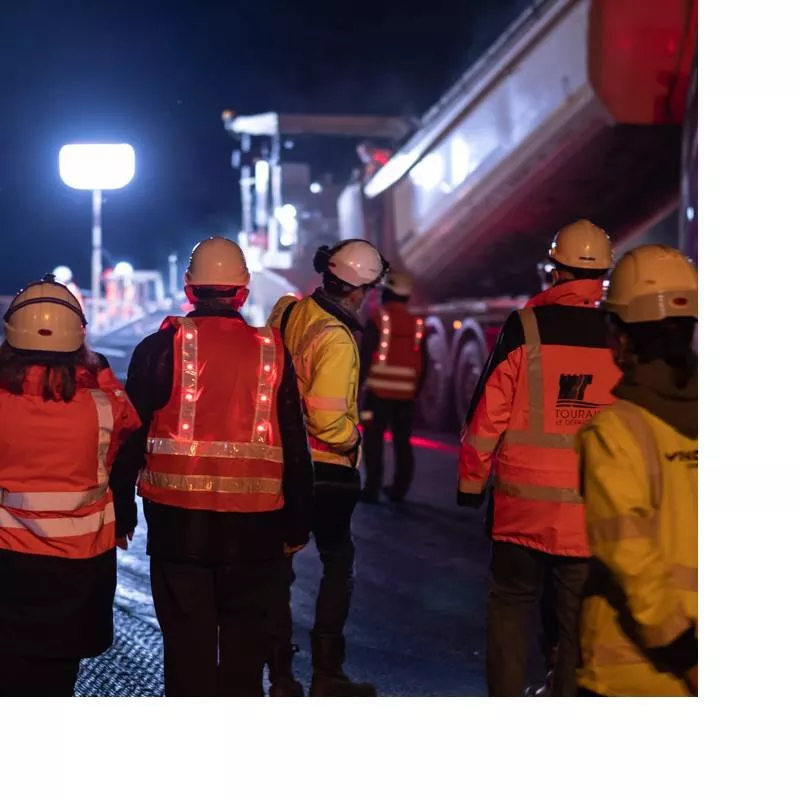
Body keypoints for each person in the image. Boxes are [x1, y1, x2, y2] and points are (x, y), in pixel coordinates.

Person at [110, 237, 313, 697]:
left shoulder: (158, 348)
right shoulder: (273, 352)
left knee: (187, 650)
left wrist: (120, 511)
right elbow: (296, 445)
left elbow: (129, 439)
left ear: (189, 289)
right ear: (242, 292)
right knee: (244, 654)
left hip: (178, 529)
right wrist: (298, 522)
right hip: (257, 533)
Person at [457, 219, 620, 696]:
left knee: (510, 605)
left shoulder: (524, 326)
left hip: (519, 509)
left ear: (555, 272)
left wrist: (471, 485)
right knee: (577, 625)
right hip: (589, 514)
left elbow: (487, 416)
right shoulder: (619, 335)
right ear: (603, 276)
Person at [0, 275, 140, 696]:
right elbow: (129, 431)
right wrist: (96, 368)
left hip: (7, 565)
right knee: (56, 684)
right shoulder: (104, 404)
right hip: (77, 571)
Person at [576, 245, 698, 697]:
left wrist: (686, 654)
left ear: (620, 337)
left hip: (635, 669)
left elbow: (629, 554)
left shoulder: (614, 431)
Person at [268, 239, 388, 696]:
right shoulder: (337, 339)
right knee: (339, 563)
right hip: (329, 470)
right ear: (359, 291)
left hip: (283, 463)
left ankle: (280, 675)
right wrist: (354, 438)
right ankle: (327, 673)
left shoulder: (288, 314)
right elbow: (326, 418)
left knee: (281, 569)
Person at [359, 269, 427, 503]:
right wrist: (415, 391)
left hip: (376, 395)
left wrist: (358, 387)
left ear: (386, 292)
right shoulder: (418, 324)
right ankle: (399, 489)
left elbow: (365, 355)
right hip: (405, 398)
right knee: (402, 441)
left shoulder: (378, 318)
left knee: (372, 440)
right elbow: (424, 362)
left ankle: (372, 488)